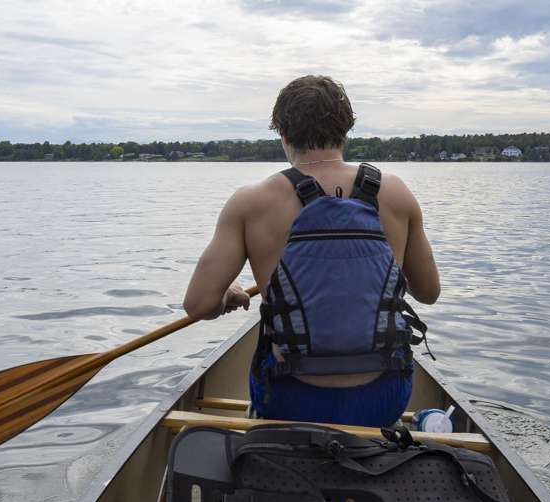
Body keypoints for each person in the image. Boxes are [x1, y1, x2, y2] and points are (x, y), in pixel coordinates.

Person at [183, 75, 440, 426]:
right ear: (345, 131)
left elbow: (198, 305)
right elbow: (428, 292)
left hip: (289, 399)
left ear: (284, 135)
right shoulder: (395, 193)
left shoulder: (251, 202)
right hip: (384, 396)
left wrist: (226, 295)